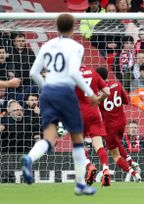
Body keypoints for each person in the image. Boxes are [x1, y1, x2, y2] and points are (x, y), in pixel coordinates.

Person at [22, 14, 99, 195]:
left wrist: (47, 88)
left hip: (47, 92)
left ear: (56, 27)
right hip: (65, 92)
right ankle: (80, 184)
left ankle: (29, 158)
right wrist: (90, 93)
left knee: (49, 139)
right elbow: (73, 72)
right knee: (77, 139)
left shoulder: (47, 45)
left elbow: (34, 72)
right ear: (74, 27)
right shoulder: (76, 47)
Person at [97, 67, 142, 182]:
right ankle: (131, 161)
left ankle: (134, 174)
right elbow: (127, 100)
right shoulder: (116, 84)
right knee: (117, 142)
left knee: (115, 155)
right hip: (122, 122)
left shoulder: (97, 92)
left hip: (109, 126)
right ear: (107, 75)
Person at [75, 65, 111, 187]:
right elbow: (107, 92)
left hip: (79, 112)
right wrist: (97, 100)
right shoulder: (93, 73)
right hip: (94, 112)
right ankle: (106, 170)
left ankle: (90, 166)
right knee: (99, 145)